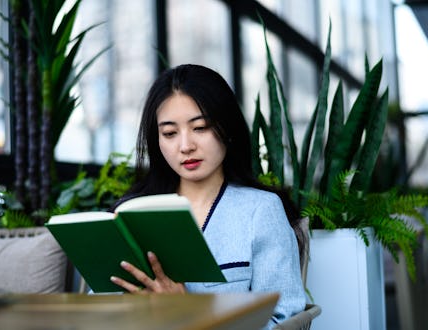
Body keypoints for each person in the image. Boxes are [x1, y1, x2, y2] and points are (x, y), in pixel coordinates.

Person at [109, 64, 306, 328]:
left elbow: (284, 320)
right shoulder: (132, 213)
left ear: (227, 128)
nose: (185, 146)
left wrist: (186, 311)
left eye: (200, 127)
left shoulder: (260, 210)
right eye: (169, 133)